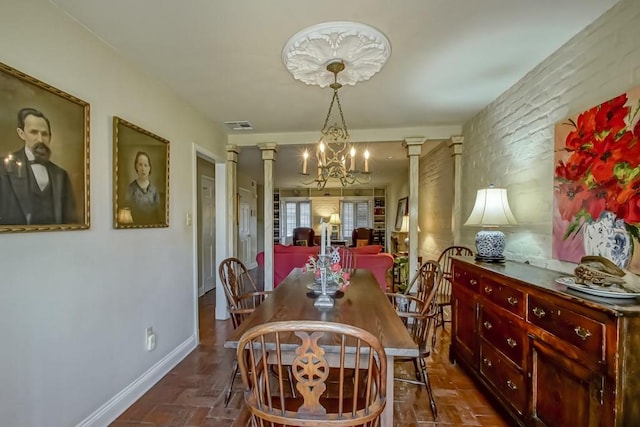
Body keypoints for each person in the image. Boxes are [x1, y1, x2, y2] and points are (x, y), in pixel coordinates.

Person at [0, 107, 77, 225]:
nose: (40, 139)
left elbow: (71, 221)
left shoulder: (61, 175)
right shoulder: (3, 168)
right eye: (34, 132)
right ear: (22, 133)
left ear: (50, 137)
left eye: (45, 134)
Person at [126, 151, 160, 224]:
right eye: (140, 165)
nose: (143, 169)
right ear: (136, 166)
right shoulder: (131, 188)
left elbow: (158, 214)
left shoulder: (154, 190)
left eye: (145, 165)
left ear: (149, 168)